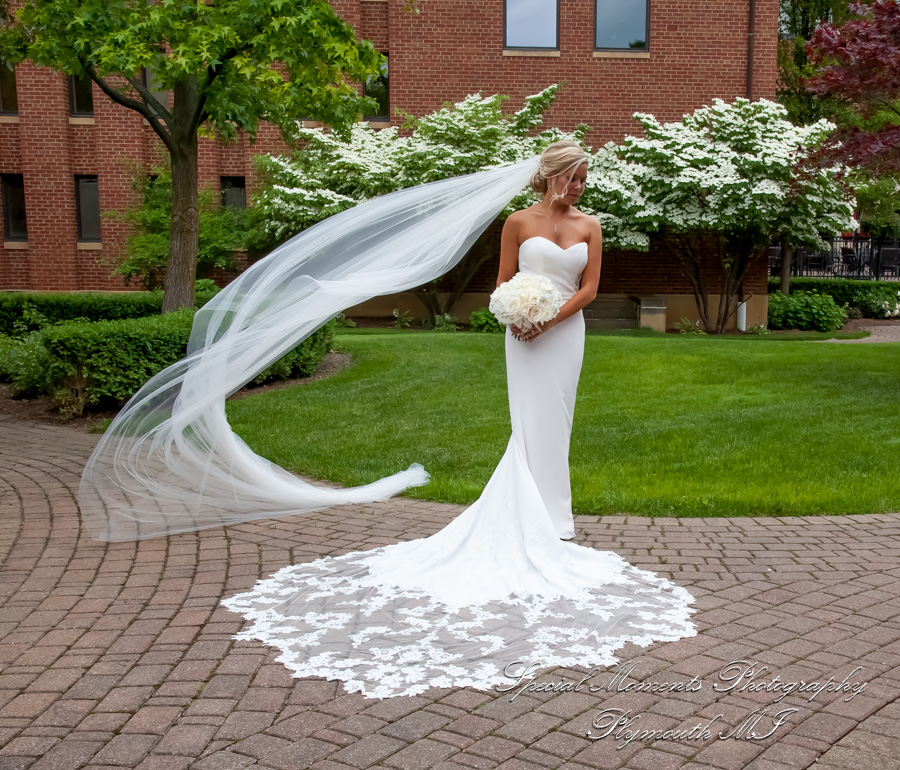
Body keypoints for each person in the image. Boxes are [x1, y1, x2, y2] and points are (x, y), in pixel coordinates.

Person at [220, 140, 697, 699]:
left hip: (564, 333)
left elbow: (589, 288)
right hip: (522, 336)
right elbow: (501, 283)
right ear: (554, 176)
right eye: (577, 177)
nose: (583, 186)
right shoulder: (517, 222)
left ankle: (554, 518)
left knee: (558, 420)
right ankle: (534, 518)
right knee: (528, 420)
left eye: (586, 178)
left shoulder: (591, 226)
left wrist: (550, 318)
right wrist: (522, 319)